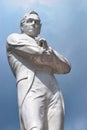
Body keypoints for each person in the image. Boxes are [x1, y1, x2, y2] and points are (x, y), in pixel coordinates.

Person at [6, 11, 71, 130]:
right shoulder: (14, 38)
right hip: (31, 86)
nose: (33, 24)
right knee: (35, 127)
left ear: (40, 27)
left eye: (36, 22)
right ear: (22, 25)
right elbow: (35, 54)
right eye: (29, 21)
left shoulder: (45, 46)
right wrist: (47, 55)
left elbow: (66, 67)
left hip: (53, 89)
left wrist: (47, 51)